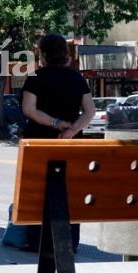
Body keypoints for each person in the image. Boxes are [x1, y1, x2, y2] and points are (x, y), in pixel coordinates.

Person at [19, 33, 96, 252]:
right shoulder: (77, 78)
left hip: (40, 143)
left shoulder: (36, 78)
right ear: (65, 53)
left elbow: (29, 109)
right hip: (70, 145)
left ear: (42, 53)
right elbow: (90, 111)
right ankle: (70, 241)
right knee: (69, 191)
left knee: (37, 190)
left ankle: (37, 241)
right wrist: (72, 130)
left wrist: (55, 123)